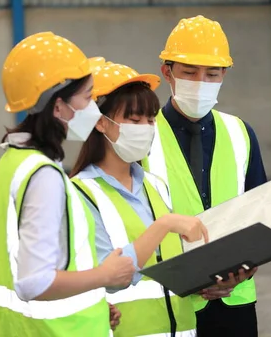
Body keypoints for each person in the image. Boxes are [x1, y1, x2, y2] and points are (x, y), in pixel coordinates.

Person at [0, 32, 137, 336]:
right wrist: (104, 275)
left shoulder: (12, 162)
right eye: (89, 97)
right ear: (59, 107)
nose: (93, 108)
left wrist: (90, 299)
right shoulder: (43, 176)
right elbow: (33, 281)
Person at [141, 15, 267, 336]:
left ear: (224, 74)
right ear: (167, 72)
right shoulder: (142, 135)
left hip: (234, 303)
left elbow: (262, 216)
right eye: (189, 72)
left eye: (212, 74)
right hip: (168, 302)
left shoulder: (240, 133)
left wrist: (244, 271)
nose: (201, 81)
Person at [70, 60, 208, 336]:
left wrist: (208, 281)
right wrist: (164, 225)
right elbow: (108, 278)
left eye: (151, 120)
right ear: (100, 123)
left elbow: (171, 265)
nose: (145, 128)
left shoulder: (156, 186)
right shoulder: (79, 193)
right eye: (134, 120)